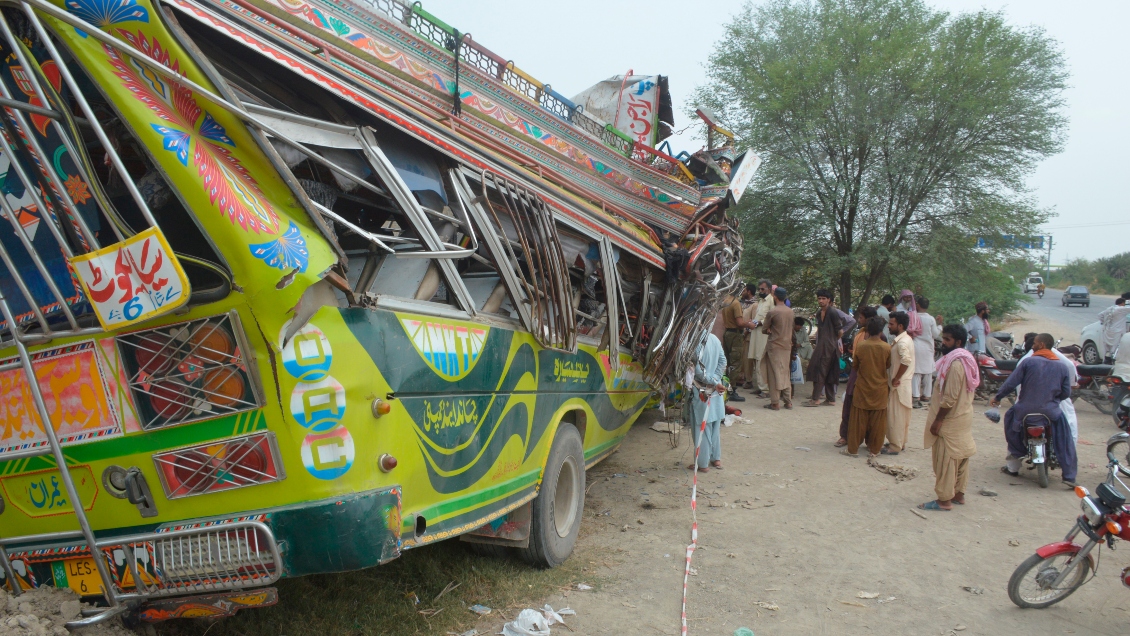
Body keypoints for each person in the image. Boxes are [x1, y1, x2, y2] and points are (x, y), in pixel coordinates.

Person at [991, 333, 1077, 487]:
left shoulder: (1028, 362)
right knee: (1065, 438)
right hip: (1051, 413)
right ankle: (1069, 477)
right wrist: (1054, 400)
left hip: (1025, 411)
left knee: (1010, 422)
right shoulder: (1062, 366)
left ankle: (1017, 456)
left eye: (1035, 343)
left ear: (1042, 345)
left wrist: (998, 397)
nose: (1032, 346)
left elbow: (1011, 383)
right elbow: (1066, 393)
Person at [918, 324, 979, 512]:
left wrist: (938, 420)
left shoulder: (956, 364)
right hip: (963, 416)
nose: (943, 342)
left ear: (958, 342)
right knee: (961, 457)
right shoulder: (967, 359)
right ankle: (958, 494)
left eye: (947, 339)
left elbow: (949, 398)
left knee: (946, 460)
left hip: (950, 420)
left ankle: (944, 501)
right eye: (943, 338)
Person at [835, 306, 882, 448]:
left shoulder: (880, 338)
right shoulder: (860, 333)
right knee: (848, 406)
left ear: (869, 320)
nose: (859, 320)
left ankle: (867, 439)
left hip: (868, 377)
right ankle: (845, 436)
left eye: (861, 318)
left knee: (866, 410)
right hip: (855, 374)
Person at [842, 316, 890, 457]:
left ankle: (853, 450)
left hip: (862, 387)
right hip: (880, 388)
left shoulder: (861, 346)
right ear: (881, 331)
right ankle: (874, 450)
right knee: (878, 422)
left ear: (867, 330)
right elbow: (888, 365)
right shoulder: (887, 347)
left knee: (857, 420)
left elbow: (855, 365)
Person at [1018, 338, 1080, 444]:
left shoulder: (1025, 361)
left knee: (1013, 425)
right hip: (1053, 406)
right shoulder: (1060, 363)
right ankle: (1069, 451)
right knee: (1069, 426)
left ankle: (1015, 453)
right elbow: (1066, 391)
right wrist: (1061, 395)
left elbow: (1013, 385)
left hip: (1027, 405)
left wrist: (998, 398)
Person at [687, 331, 726, 473]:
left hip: (702, 390)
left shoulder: (693, 339)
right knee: (715, 425)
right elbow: (723, 362)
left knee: (702, 427)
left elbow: (697, 371)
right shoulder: (714, 338)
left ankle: (702, 463)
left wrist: (712, 381)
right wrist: (716, 379)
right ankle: (716, 458)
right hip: (716, 390)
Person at [804, 289, 844, 407]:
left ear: (829, 300)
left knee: (820, 372)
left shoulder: (832, 312)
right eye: (819, 298)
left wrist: (832, 341)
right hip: (823, 346)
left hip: (829, 347)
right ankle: (831, 399)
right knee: (827, 372)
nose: (821, 301)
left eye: (823, 298)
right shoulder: (819, 313)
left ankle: (815, 399)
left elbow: (840, 331)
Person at [883, 311, 915, 455]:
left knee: (895, 417)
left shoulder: (902, 342)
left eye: (891, 324)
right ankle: (900, 442)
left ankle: (895, 446)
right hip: (903, 385)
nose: (889, 326)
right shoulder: (905, 339)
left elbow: (906, 360)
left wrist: (896, 378)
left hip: (898, 386)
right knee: (901, 416)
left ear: (900, 326)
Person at [760, 287, 795, 410]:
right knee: (785, 373)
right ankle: (788, 402)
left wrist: (770, 330)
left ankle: (775, 402)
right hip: (787, 346)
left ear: (775, 296)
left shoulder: (772, 312)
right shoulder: (790, 312)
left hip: (774, 346)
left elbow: (764, 329)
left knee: (773, 374)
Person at [720, 290, 756, 401]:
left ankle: (725, 388)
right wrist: (749, 324)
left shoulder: (726, 301)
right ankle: (732, 391)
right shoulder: (735, 303)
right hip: (735, 335)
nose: (745, 291)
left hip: (727, 333)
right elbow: (739, 323)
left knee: (728, 363)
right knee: (736, 364)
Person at [911, 297, 943, 409]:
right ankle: (926, 395)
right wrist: (940, 325)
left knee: (916, 371)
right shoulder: (930, 319)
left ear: (918, 305)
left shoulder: (913, 317)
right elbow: (935, 334)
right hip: (928, 347)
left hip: (915, 345)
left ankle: (915, 395)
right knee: (928, 371)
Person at [745, 280, 774, 395]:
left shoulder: (771, 301)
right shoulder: (761, 302)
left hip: (764, 336)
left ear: (769, 289)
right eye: (760, 289)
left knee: (762, 361)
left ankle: (765, 389)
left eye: (763, 289)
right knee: (757, 360)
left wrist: (758, 323)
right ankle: (760, 387)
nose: (760, 291)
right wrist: (753, 322)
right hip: (756, 334)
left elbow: (772, 318)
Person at [1098, 298, 1130, 364]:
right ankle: (1113, 361)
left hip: (1107, 331)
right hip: (1117, 331)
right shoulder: (1120, 309)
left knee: (1107, 349)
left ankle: (1107, 361)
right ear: (1122, 303)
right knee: (1116, 348)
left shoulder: (1109, 309)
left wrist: (1105, 322)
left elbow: (1100, 315)